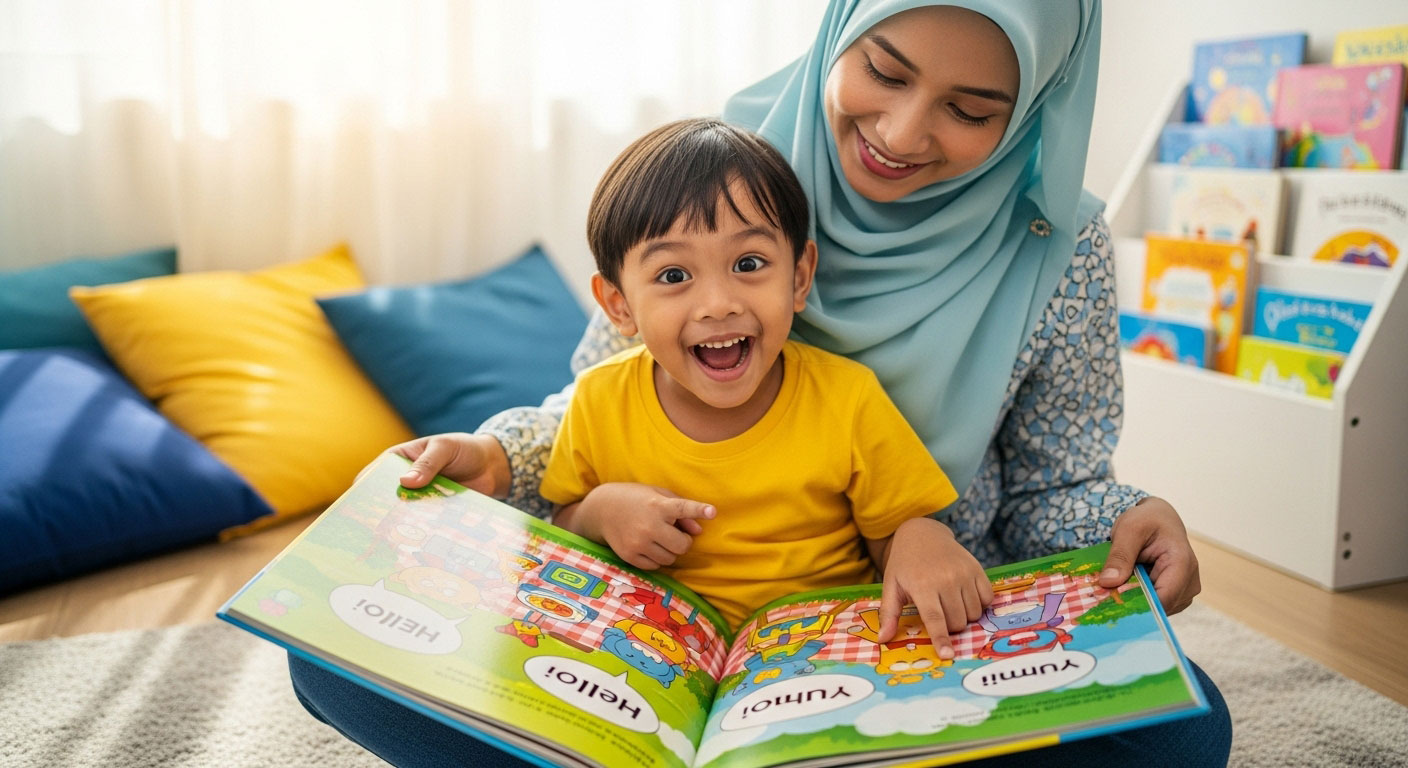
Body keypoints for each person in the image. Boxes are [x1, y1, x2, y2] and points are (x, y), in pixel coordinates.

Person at [290, 2, 1233, 766]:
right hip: (647, 623)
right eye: (885, 71)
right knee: (333, 657)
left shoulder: (1058, 249)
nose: (902, 132)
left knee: (1180, 727)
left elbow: (1051, 488)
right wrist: (497, 456)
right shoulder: (721, 179)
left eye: (972, 109)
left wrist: (1125, 519)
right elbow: (594, 407)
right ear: (839, 32)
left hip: (900, 620)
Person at [538, 116, 983, 640]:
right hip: (658, 645)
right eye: (674, 275)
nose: (719, 304)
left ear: (799, 277)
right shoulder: (598, 399)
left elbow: (899, 530)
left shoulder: (847, 397)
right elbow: (562, 524)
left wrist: (921, 539)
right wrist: (597, 513)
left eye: (748, 264)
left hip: (826, 642)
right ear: (618, 305)